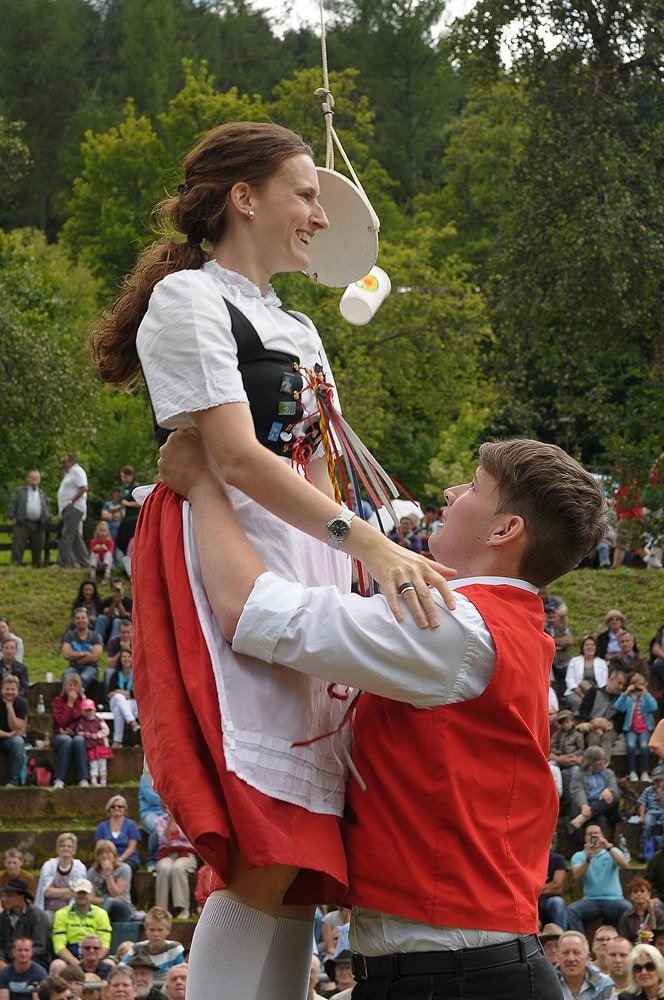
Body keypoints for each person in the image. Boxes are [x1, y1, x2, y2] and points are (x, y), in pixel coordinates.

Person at [90, 120, 455, 1000]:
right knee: (267, 836)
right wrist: (361, 538)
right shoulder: (188, 301)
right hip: (230, 550)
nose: (320, 218)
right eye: (305, 194)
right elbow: (238, 456)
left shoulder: (295, 323)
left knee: (301, 861)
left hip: (310, 557)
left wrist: (365, 557)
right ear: (243, 198)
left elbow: (320, 460)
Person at [157, 431, 607, 1000]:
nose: (450, 492)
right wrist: (315, 460)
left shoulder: (455, 629)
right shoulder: (489, 626)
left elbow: (247, 609)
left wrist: (203, 484)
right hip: (454, 971)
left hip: (454, 979)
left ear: (504, 530)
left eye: (471, 486)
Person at [567, 824, 631, 932]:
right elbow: (577, 876)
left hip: (614, 899)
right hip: (590, 900)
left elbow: (625, 865)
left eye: (596, 833)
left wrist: (609, 848)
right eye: (590, 834)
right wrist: (588, 858)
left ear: (602, 836)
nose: (593, 836)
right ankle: (580, 943)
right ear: (585, 838)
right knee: (571, 910)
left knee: (628, 909)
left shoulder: (612, 851)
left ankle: (625, 943)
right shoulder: (579, 856)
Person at [50, 880, 111, 974]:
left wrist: (92, 961)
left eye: (85, 893)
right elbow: (59, 945)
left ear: (91, 894)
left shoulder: (101, 914)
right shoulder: (61, 914)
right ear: (73, 894)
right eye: (79, 892)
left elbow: (105, 944)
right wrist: (76, 963)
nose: (82, 895)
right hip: (70, 956)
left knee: (110, 963)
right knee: (57, 965)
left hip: (94, 954)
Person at [613, 675, 658, 782]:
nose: (637, 690)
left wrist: (646, 693)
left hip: (644, 729)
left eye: (640, 687)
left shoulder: (646, 699)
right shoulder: (629, 699)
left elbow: (654, 707)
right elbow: (617, 706)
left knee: (644, 746)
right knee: (630, 745)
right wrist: (625, 693)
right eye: (636, 687)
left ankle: (644, 772)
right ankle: (632, 771)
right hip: (631, 730)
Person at [34, 834, 87, 923]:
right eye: (62, 846)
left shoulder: (79, 867)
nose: (66, 848)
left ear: (74, 850)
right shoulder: (49, 865)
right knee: (45, 919)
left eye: (69, 846)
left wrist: (55, 891)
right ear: (57, 849)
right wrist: (68, 890)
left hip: (70, 909)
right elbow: (46, 892)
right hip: (49, 909)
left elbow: (77, 893)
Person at [154, 813, 197, 921]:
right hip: (167, 854)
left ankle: (183, 908)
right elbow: (164, 840)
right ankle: (161, 911)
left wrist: (178, 820)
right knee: (164, 868)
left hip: (187, 853)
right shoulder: (160, 820)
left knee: (178, 868)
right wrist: (170, 822)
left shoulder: (189, 817)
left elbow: (190, 838)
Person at [568, 746, 620, 834]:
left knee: (612, 796)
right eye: (599, 760)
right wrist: (584, 806)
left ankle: (583, 817)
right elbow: (577, 791)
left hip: (604, 804)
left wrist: (609, 790)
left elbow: (614, 787)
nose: (602, 762)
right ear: (590, 761)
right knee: (601, 820)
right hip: (587, 806)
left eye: (603, 759)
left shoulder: (609, 773)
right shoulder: (578, 774)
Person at [0, 881, 51, 969]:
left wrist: (19, 959)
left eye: (9, 896)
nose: (5, 899)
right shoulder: (3, 917)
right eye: (4, 896)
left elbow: (40, 947)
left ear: (21, 897)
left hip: (34, 961)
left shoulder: (37, 916)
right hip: (6, 963)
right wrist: (1, 959)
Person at [120, 907, 184, 976]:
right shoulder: (137, 948)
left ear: (168, 930)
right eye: (152, 930)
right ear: (145, 930)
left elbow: (185, 972)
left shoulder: (175, 949)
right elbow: (121, 969)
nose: (156, 934)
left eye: (160, 930)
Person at [50, 677, 90, 789]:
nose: (72, 688)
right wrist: (70, 704)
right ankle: (59, 778)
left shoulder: (82, 702)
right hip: (59, 734)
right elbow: (61, 721)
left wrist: (73, 730)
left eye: (75, 685)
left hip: (76, 733)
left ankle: (83, 778)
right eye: (70, 685)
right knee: (66, 740)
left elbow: (82, 719)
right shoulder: (57, 701)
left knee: (79, 740)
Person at [93, 797, 141, 890]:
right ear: (109, 809)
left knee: (126, 868)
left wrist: (119, 859)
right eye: (113, 806)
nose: (116, 808)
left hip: (128, 857)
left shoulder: (131, 825)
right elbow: (100, 846)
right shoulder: (102, 826)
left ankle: (127, 897)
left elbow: (132, 847)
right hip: (106, 857)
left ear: (125, 809)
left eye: (120, 806)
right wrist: (109, 859)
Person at [7, 469, 51, 569]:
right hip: (22, 523)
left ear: (39, 480)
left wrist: (47, 518)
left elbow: (47, 509)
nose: (34, 479)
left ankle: (36, 570)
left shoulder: (42, 494)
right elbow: (11, 505)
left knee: (38, 548)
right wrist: (13, 517)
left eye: (36, 478)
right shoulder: (19, 491)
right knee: (18, 547)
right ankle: (14, 568)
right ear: (27, 479)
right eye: (32, 477)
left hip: (39, 525)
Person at [555, 931, 617, 999]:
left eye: (577, 953)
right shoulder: (547, 985)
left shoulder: (604, 985)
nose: (571, 958)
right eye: (565, 953)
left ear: (587, 958)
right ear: (557, 957)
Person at [86, 842, 135, 925]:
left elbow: (116, 893)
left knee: (111, 902)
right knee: (107, 902)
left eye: (108, 852)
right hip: (100, 906)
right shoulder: (92, 872)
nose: (105, 856)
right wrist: (104, 900)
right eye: (101, 853)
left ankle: (98, 922)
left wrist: (108, 874)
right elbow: (91, 898)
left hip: (122, 906)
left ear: (114, 855)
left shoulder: (124, 868)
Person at [56, 454, 88, 570]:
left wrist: (72, 501)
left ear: (70, 461)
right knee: (74, 537)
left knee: (66, 535)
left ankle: (63, 562)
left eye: (64, 462)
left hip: (74, 508)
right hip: (67, 508)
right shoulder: (68, 474)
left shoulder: (77, 471)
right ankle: (84, 560)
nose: (62, 465)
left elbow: (83, 487)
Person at [60, 609, 103, 695]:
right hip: (73, 667)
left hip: (91, 668)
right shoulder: (69, 635)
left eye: (83, 618)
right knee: (66, 676)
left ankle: (75, 700)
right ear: (74, 621)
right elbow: (65, 654)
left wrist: (76, 658)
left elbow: (95, 656)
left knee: (84, 678)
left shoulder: (95, 636)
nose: (80, 620)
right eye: (78, 618)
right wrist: (83, 654)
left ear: (88, 620)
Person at [565, 636, 609, 715]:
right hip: (576, 691)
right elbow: (569, 679)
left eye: (592, 645)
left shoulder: (602, 663)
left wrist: (591, 694)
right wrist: (578, 690)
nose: (590, 647)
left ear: (596, 648)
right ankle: (578, 720)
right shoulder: (574, 661)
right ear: (583, 647)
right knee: (579, 702)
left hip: (594, 692)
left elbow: (603, 682)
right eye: (587, 645)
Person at [106, 652, 139, 749]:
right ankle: (132, 722)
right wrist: (125, 694)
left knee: (118, 709)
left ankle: (117, 741)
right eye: (124, 657)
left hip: (131, 704)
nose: (126, 659)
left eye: (129, 657)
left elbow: (137, 694)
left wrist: (119, 692)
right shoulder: (115, 674)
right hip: (115, 701)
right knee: (119, 698)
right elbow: (110, 693)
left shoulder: (136, 674)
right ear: (120, 659)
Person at [617, 877, 664, 946]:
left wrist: (651, 911)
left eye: (642, 891)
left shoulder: (658, 913)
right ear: (630, 896)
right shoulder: (626, 916)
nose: (639, 894)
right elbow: (624, 939)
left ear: (649, 894)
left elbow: (659, 935)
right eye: (635, 891)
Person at [76, 700, 112, 787]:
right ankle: (94, 781)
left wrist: (97, 735)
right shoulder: (81, 722)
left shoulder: (99, 720)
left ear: (94, 710)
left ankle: (103, 780)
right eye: (86, 710)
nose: (88, 712)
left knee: (102, 764)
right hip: (91, 747)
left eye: (90, 710)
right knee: (93, 765)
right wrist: (86, 734)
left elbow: (106, 730)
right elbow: (78, 731)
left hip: (100, 746)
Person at [0, 676, 27, 788]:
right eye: (7, 689)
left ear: (17, 690)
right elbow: (12, 732)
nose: (10, 692)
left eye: (13, 689)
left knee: (18, 742)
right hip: (4, 735)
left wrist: (10, 708)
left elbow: (16, 728)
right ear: (1, 689)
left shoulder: (22, 703)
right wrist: (8, 734)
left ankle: (13, 781)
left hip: (9, 740)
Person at [138, 773, 165, 875]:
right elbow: (152, 799)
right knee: (157, 828)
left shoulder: (166, 774)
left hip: (167, 811)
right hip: (150, 812)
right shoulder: (145, 777)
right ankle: (152, 860)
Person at [539, 848, 569, 931]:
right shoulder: (528, 858)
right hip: (530, 900)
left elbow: (558, 886)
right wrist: (549, 885)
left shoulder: (557, 859)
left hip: (548, 898)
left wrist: (537, 887)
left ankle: (561, 938)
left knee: (558, 902)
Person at [116, 468, 140, 556]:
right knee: (121, 539)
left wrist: (128, 504)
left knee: (130, 539)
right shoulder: (123, 488)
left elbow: (140, 502)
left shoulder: (135, 487)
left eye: (125, 476)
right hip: (125, 517)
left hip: (133, 517)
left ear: (131, 476)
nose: (123, 478)